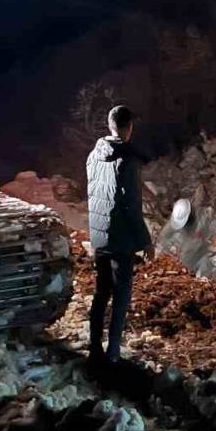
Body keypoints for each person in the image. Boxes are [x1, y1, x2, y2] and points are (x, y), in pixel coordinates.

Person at [85, 104, 153, 365]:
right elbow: (131, 205)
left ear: (110, 124)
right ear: (129, 127)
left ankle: (94, 349)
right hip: (122, 240)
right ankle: (112, 353)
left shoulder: (94, 155)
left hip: (100, 237)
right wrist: (145, 240)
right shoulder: (127, 160)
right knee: (121, 296)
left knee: (101, 293)